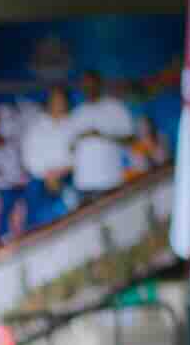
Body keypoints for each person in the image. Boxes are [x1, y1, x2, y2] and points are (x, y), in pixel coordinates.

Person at [67, 72, 135, 203]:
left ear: (100, 84)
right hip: (84, 183)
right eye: (86, 85)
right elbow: (69, 148)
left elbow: (131, 139)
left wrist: (102, 135)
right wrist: (81, 137)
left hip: (111, 179)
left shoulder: (116, 107)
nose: (89, 88)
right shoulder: (76, 114)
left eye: (92, 84)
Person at [20, 88, 77, 229]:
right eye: (55, 101)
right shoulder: (36, 127)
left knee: (72, 221)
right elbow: (28, 158)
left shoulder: (73, 124)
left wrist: (64, 170)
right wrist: (47, 174)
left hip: (67, 178)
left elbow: (78, 154)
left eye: (62, 101)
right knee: (39, 225)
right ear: (48, 103)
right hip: (41, 181)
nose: (59, 104)